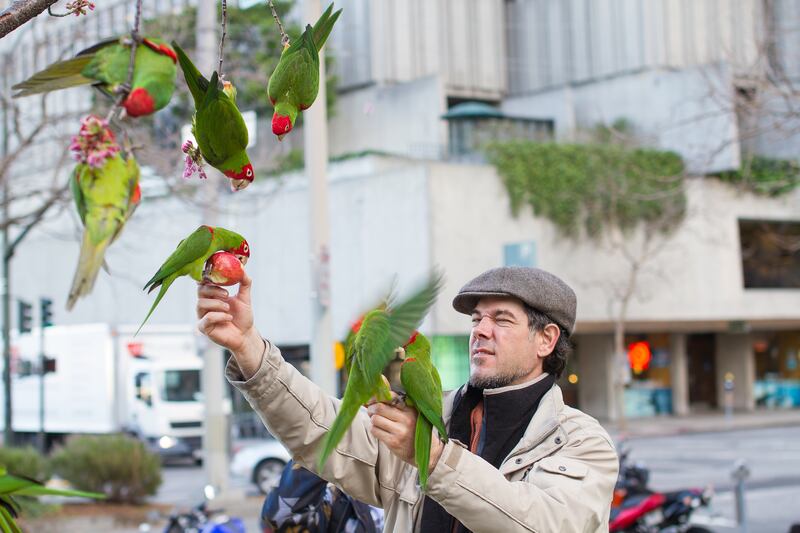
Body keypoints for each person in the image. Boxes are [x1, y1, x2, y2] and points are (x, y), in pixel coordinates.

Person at [197, 266, 619, 532]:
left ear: (546, 339)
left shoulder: (581, 442)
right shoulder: (435, 410)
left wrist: (434, 460)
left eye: (501, 319)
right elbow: (325, 428)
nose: (480, 330)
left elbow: (542, 524)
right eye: (476, 319)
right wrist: (249, 347)